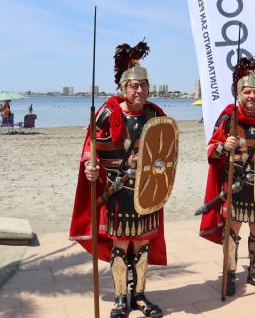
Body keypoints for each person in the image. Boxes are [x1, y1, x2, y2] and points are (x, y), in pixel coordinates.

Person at [69, 41, 167, 318]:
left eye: (144, 85)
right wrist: (90, 165)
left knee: (143, 245)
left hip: (147, 190)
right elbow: (91, 146)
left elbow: (166, 149)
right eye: (134, 86)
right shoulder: (108, 113)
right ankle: (121, 298)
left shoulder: (155, 114)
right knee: (121, 245)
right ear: (123, 89)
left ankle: (139, 296)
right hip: (117, 190)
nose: (140, 91)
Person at [199, 54, 255, 296]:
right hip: (235, 185)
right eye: (247, 92)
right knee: (231, 233)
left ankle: (254, 272)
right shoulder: (227, 119)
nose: (251, 96)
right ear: (239, 93)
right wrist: (225, 146)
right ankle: (230, 273)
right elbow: (211, 153)